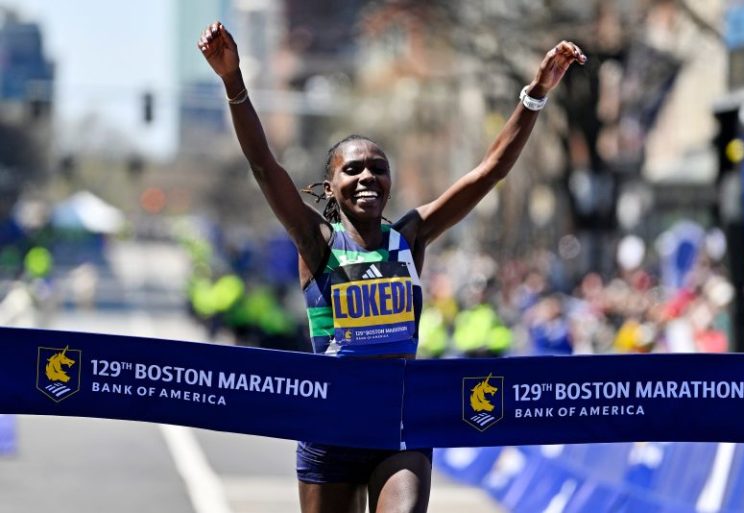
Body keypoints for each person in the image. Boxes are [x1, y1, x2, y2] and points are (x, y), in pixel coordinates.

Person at [199, 20, 585, 513]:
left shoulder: (410, 236)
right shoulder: (318, 242)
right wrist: (233, 80)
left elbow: (490, 171)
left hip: (400, 420)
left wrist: (536, 93)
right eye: (352, 169)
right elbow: (264, 166)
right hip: (332, 423)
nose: (367, 176)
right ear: (331, 186)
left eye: (378, 168)